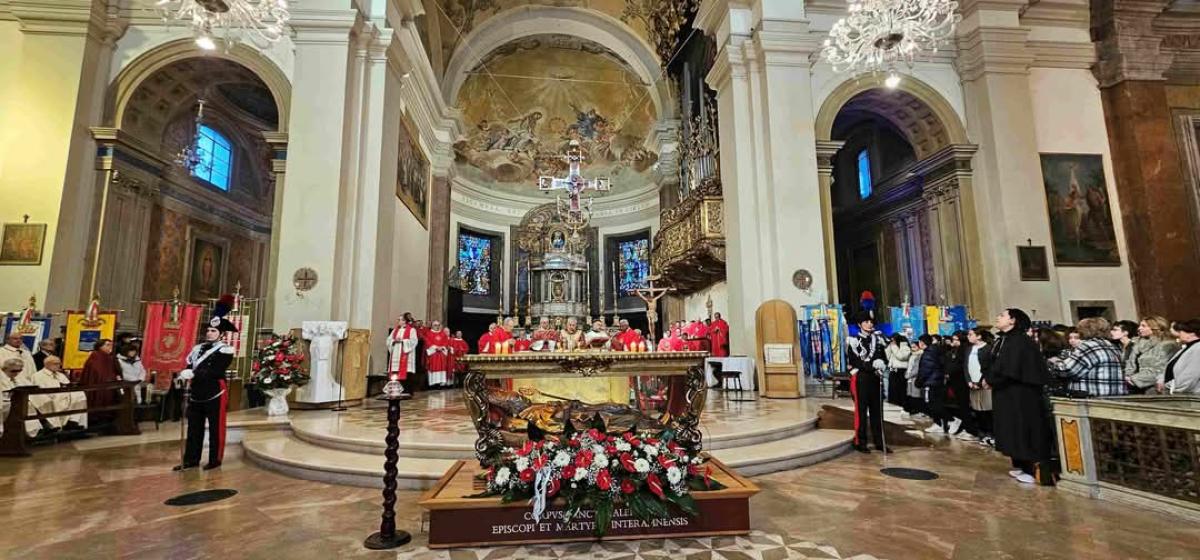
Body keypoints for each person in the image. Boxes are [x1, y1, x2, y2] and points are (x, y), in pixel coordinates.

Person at [986, 308, 1053, 485]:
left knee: (1023, 429)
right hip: (1008, 393)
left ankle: (1031, 469)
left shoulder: (1019, 341)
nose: (998, 317)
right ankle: (1022, 465)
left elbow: (1011, 369)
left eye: (1002, 315)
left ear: (1013, 321)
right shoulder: (1007, 340)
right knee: (1012, 429)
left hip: (1020, 395)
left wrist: (992, 380)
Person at [174, 304, 237, 471]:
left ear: (222, 334)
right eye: (208, 330)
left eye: (214, 331)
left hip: (215, 391)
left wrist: (194, 374)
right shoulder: (197, 349)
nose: (209, 333)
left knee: (216, 427)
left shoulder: (226, 350)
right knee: (194, 427)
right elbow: (189, 364)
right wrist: (186, 372)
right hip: (196, 392)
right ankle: (191, 459)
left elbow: (216, 370)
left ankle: (215, 459)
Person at [847, 312, 890, 454]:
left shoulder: (877, 340)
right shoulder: (854, 341)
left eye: (871, 322)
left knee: (877, 411)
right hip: (861, 378)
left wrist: (882, 363)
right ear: (860, 324)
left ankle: (879, 442)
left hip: (875, 378)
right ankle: (861, 441)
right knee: (861, 411)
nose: (869, 324)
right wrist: (872, 366)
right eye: (866, 322)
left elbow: (883, 357)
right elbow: (855, 361)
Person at [1049, 317, 1126, 397]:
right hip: (1115, 396)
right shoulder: (1112, 345)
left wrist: (1054, 362)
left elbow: (1067, 370)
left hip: (1092, 399)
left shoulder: (1088, 346)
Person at [29, 355, 87, 433]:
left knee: (80, 394)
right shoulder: (37, 376)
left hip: (63, 395)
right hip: (49, 396)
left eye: (59, 363)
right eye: (56, 363)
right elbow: (39, 391)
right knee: (48, 400)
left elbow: (67, 385)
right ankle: (54, 425)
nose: (59, 365)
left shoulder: (60, 375)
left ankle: (73, 421)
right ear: (47, 364)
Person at [1124, 316, 1178, 394]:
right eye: (1140, 325)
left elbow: (1161, 369)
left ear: (1155, 327)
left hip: (1156, 388)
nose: (1139, 328)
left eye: (1143, 326)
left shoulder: (1167, 345)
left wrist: (1133, 379)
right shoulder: (1138, 345)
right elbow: (1131, 364)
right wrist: (1127, 377)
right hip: (1133, 387)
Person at [917, 335, 953, 435]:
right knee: (936, 403)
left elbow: (926, 369)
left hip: (930, 381)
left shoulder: (929, 353)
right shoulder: (936, 351)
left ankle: (949, 420)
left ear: (922, 342)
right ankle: (939, 424)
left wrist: (919, 381)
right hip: (937, 381)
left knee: (932, 403)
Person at [79, 339, 120, 424]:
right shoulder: (95, 356)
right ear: (100, 346)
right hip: (98, 384)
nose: (110, 347)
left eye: (111, 345)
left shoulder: (110, 357)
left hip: (110, 384)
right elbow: (96, 371)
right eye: (107, 345)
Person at [966, 327, 994, 443]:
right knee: (977, 409)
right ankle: (982, 431)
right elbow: (965, 366)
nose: (969, 336)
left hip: (984, 383)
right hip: (972, 383)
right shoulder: (969, 349)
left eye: (971, 334)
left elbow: (989, 366)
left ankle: (991, 433)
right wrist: (969, 380)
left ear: (979, 336)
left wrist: (983, 380)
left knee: (988, 409)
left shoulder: (988, 349)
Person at [0, 357, 37, 436]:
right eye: (13, 371)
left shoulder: (19, 376)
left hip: (19, 400)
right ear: (5, 368)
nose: (16, 373)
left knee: (31, 404)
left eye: (19, 371)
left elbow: (29, 385)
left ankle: (32, 431)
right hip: (5, 401)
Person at [1163, 319, 1200, 394]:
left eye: (1181, 331)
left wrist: (1169, 386)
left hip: (1191, 397)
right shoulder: (1186, 348)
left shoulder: (1198, 349)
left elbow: (1189, 377)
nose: (1179, 334)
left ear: (1192, 333)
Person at [388, 313, 419, 382]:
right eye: (398, 319)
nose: (398, 321)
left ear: (405, 321)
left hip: (406, 354)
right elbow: (388, 340)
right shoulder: (395, 330)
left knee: (407, 376)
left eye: (400, 320)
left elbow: (414, 341)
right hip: (396, 354)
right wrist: (394, 341)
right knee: (395, 373)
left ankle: (406, 390)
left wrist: (403, 341)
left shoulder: (411, 330)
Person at [423, 320, 452, 388]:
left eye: (438, 325)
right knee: (433, 367)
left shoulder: (443, 334)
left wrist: (441, 347)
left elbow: (446, 342)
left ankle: (440, 384)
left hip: (441, 354)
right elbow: (427, 342)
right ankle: (432, 384)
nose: (437, 327)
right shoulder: (428, 333)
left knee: (442, 367)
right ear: (432, 326)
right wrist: (435, 347)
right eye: (435, 325)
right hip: (433, 353)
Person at [885, 334, 911, 408]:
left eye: (893, 340)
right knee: (892, 390)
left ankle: (902, 405)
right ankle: (893, 404)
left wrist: (894, 346)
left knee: (900, 390)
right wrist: (889, 347)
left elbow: (901, 357)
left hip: (901, 371)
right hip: (892, 370)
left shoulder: (905, 346)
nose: (892, 341)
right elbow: (887, 356)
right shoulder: (893, 346)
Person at [904, 337, 927, 419]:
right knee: (912, 396)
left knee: (917, 396)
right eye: (911, 347)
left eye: (914, 347)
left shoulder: (920, 355)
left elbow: (916, 369)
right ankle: (913, 410)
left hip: (915, 378)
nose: (912, 348)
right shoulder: (912, 355)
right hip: (910, 378)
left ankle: (919, 411)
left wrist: (908, 375)